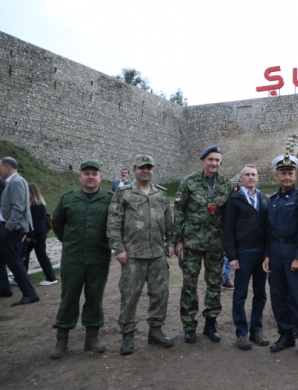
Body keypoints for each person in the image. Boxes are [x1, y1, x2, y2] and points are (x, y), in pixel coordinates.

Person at [107, 155, 174, 355]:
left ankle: (155, 331)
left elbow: (169, 222)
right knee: (129, 296)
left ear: (153, 170)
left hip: (157, 255)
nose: (146, 170)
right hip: (133, 255)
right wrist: (118, 248)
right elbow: (113, 222)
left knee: (160, 294)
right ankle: (127, 335)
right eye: (142, 167)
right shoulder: (123, 193)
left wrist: (170, 243)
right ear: (134, 169)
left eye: (149, 167)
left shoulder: (161, 194)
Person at [49, 161, 113, 359]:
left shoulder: (110, 200)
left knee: (95, 297)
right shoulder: (68, 199)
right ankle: (62, 339)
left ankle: (92, 338)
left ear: (101, 177)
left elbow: (115, 225)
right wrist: (71, 242)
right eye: (86, 173)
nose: (90, 177)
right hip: (73, 257)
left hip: (99, 257)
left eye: (94, 173)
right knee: (69, 297)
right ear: (80, 177)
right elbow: (58, 225)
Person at [174, 146, 235, 344]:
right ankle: (189, 325)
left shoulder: (226, 184)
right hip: (192, 243)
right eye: (211, 159)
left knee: (214, 285)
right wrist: (178, 240)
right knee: (189, 285)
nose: (214, 163)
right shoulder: (188, 182)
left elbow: (230, 215)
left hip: (216, 244)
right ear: (203, 161)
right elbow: (179, 212)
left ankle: (210, 323)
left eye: (217, 160)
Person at [262, 155, 298, 359]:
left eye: (290, 173)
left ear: (295, 175)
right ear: (277, 176)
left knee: (297, 296)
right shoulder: (272, 201)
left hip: (294, 251)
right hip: (275, 252)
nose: (287, 177)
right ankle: (285, 335)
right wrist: (267, 255)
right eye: (283, 173)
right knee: (278, 296)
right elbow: (268, 231)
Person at [224, 164, 270, 350]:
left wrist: (268, 254)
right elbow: (228, 230)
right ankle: (241, 333)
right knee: (240, 295)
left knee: (260, 294)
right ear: (241, 178)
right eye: (247, 175)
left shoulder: (265, 199)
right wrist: (231, 256)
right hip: (243, 253)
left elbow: (269, 230)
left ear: (258, 178)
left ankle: (256, 330)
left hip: (261, 254)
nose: (251, 177)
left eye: (253, 174)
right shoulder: (234, 200)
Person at [0, 157, 39, 305]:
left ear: (7, 167)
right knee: (6, 261)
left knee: (15, 262)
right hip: (9, 228)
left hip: (12, 230)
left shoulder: (16, 182)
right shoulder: (13, 182)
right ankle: (5, 288)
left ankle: (30, 293)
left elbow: (18, 208)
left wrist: (8, 228)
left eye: (0, 167)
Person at [23, 183, 58, 285]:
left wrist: (30, 235)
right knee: (24, 254)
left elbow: (34, 222)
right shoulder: (39, 204)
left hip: (37, 234)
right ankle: (21, 275)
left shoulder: (34, 205)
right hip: (39, 233)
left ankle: (51, 277)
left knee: (40, 255)